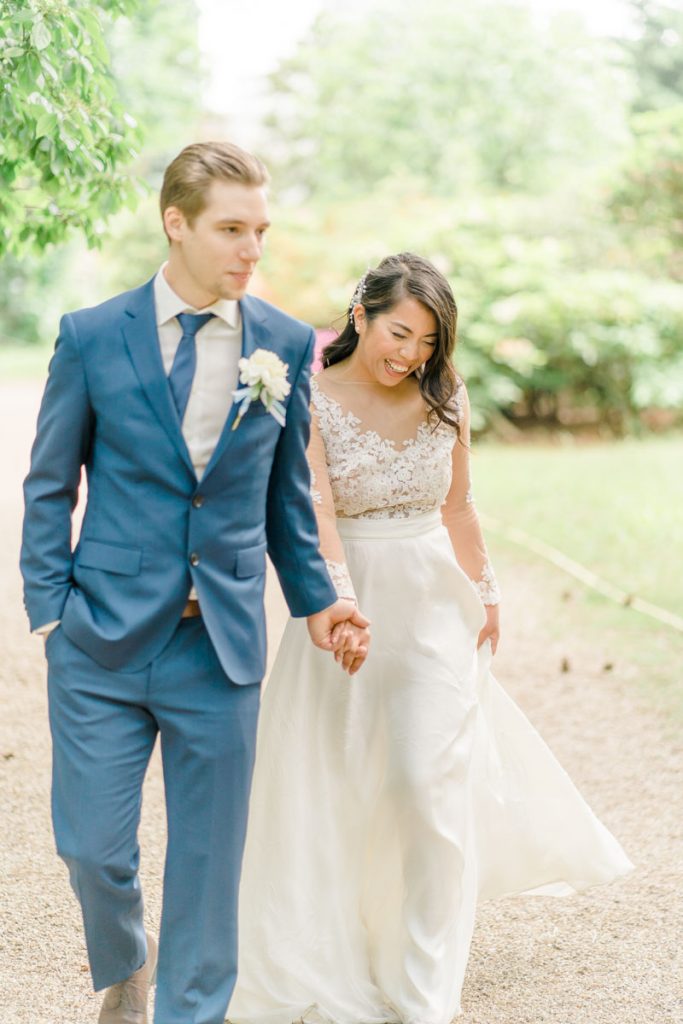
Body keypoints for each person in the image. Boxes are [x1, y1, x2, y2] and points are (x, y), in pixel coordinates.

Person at [228, 253, 633, 1024]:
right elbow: (312, 512)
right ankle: (336, 946)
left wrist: (484, 592)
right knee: (338, 784)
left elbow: (459, 508)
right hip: (344, 609)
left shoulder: (445, 393)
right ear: (361, 315)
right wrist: (338, 604)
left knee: (424, 785)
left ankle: (422, 981)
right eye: (400, 334)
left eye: (426, 342)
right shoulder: (310, 395)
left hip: (432, 609)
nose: (410, 356)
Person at [20, 141, 369, 1024]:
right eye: (230, 229)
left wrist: (320, 600)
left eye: (260, 229)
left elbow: (285, 498)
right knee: (92, 850)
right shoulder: (92, 336)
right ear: (175, 225)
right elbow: (50, 482)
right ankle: (126, 960)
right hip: (98, 640)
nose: (251, 249)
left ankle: (189, 1012)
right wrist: (49, 609)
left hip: (218, 647)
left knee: (210, 863)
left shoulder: (286, 345)